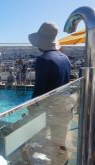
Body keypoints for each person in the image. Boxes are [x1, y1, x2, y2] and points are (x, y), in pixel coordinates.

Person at [28, 22, 72, 151]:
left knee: (37, 141)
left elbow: (39, 91)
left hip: (50, 110)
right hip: (64, 107)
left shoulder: (43, 60)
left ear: (40, 42)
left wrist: (31, 108)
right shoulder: (65, 58)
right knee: (60, 143)